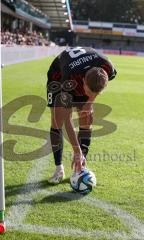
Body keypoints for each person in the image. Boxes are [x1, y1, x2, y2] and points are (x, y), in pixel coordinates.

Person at [47, 47, 117, 184]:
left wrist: (89, 101)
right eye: (88, 92)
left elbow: (97, 88)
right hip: (58, 75)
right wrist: (76, 150)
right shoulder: (69, 78)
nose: (90, 96)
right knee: (58, 119)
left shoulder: (108, 67)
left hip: (82, 69)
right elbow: (68, 119)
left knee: (86, 118)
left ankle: (80, 165)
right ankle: (58, 168)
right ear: (84, 81)